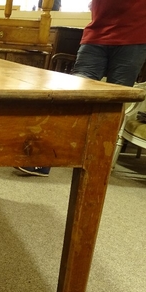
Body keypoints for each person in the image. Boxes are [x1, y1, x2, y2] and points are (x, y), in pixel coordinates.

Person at [18, 0, 146, 177]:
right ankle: (45, 158)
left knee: (117, 100)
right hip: (96, 35)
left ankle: (98, 161)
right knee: (75, 97)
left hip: (134, 39)